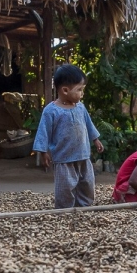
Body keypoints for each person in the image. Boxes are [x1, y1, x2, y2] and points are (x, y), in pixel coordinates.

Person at [33, 64, 104, 208]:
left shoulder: (81, 107)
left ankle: (84, 206)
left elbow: (88, 124)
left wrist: (95, 139)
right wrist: (43, 152)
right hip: (63, 158)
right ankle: (64, 209)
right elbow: (43, 132)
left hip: (83, 155)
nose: (82, 94)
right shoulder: (51, 111)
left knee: (87, 183)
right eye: (79, 90)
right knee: (65, 187)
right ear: (65, 90)